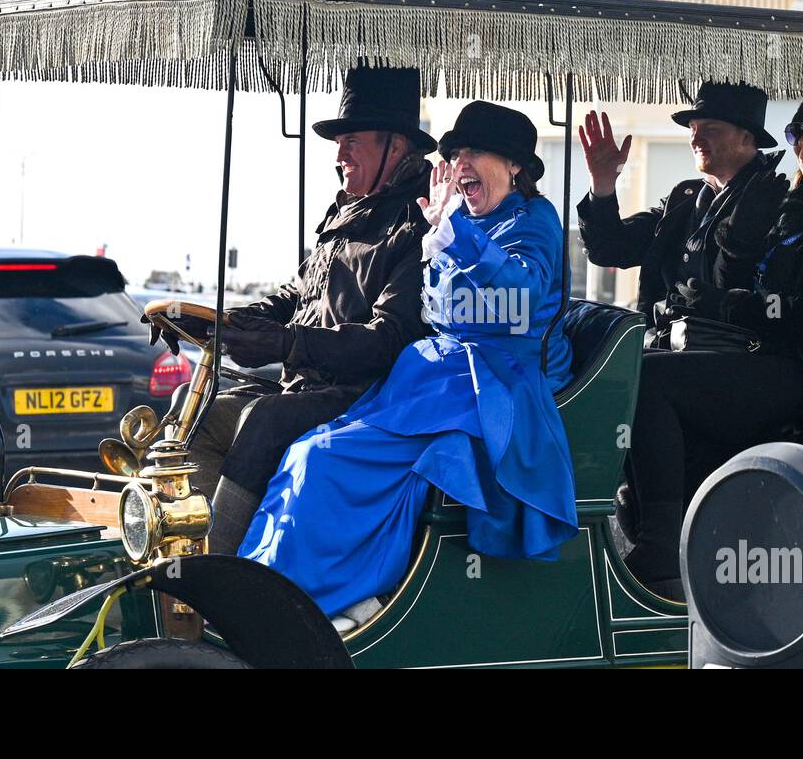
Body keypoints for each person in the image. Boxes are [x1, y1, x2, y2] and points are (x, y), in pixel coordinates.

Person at [235, 101, 577, 622]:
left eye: (476, 151)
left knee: (327, 459)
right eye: (456, 152)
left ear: (515, 166)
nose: (461, 163)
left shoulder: (535, 221)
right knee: (307, 449)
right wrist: (446, 239)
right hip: (438, 374)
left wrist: (453, 237)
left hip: (495, 385)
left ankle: (326, 596)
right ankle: (262, 587)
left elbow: (521, 300)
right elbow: (440, 306)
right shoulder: (458, 223)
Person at [623, 90, 803, 594]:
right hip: (773, 353)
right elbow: (758, 286)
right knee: (639, 368)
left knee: (655, 384)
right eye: (798, 133)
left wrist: (731, 306)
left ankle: (662, 547)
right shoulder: (795, 206)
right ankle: (651, 522)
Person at [158, 64, 437, 557]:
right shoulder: (348, 209)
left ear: (396, 146)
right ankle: (173, 553)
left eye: (352, 139)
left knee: (264, 419)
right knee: (194, 405)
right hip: (306, 384)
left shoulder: (417, 226)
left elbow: (387, 339)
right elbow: (300, 290)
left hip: (366, 396)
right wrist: (230, 321)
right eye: (338, 140)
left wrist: (285, 344)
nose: (340, 152)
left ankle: (217, 572)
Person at [576, 82, 789, 348]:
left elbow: (774, 306)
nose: (695, 139)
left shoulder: (776, 203)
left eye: (710, 129)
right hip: (664, 348)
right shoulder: (683, 200)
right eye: (693, 129)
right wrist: (603, 185)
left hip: (730, 358)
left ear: (747, 137)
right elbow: (608, 250)